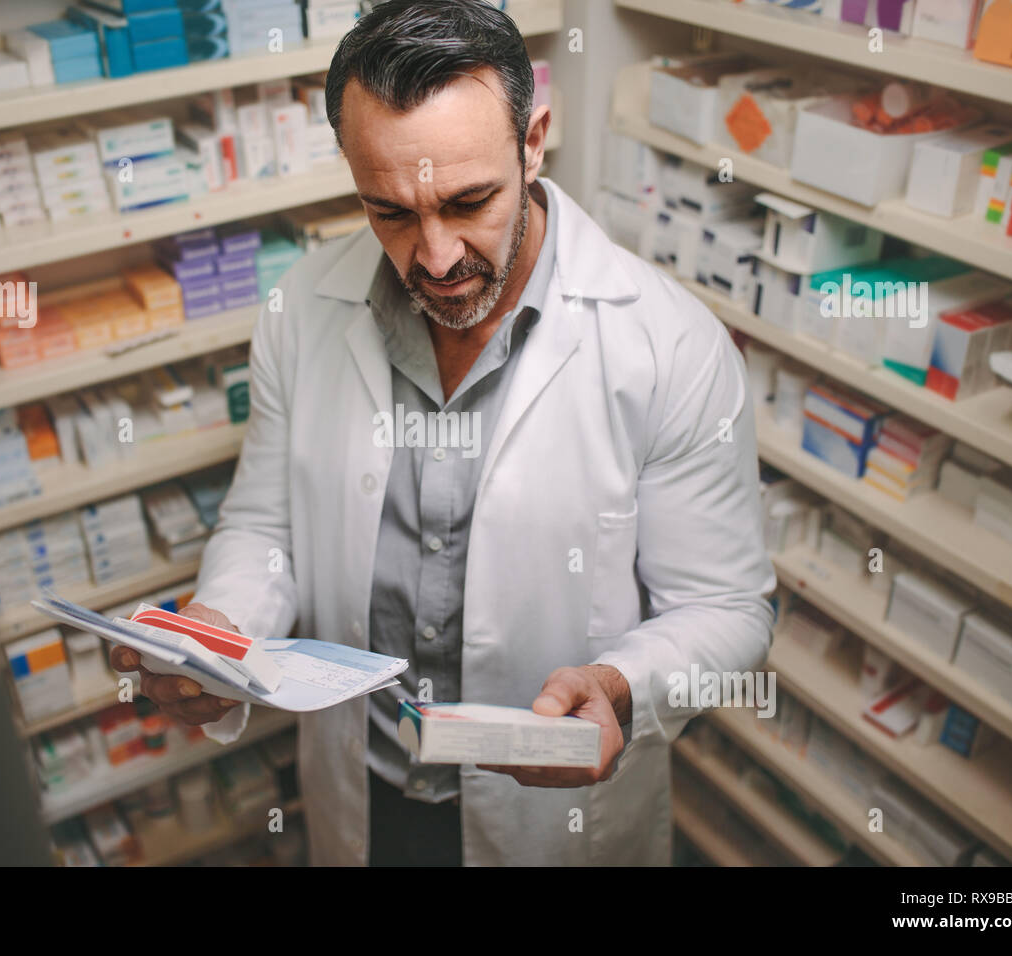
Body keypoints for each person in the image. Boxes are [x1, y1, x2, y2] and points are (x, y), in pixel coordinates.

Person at [110, 0, 775, 866]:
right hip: (369, 791)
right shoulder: (301, 311)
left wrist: (622, 685)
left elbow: (727, 608)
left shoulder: (668, 344)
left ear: (534, 140)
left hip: (550, 819)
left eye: (470, 202)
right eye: (389, 211)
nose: (434, 257)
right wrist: (216, 631)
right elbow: (265, 526)